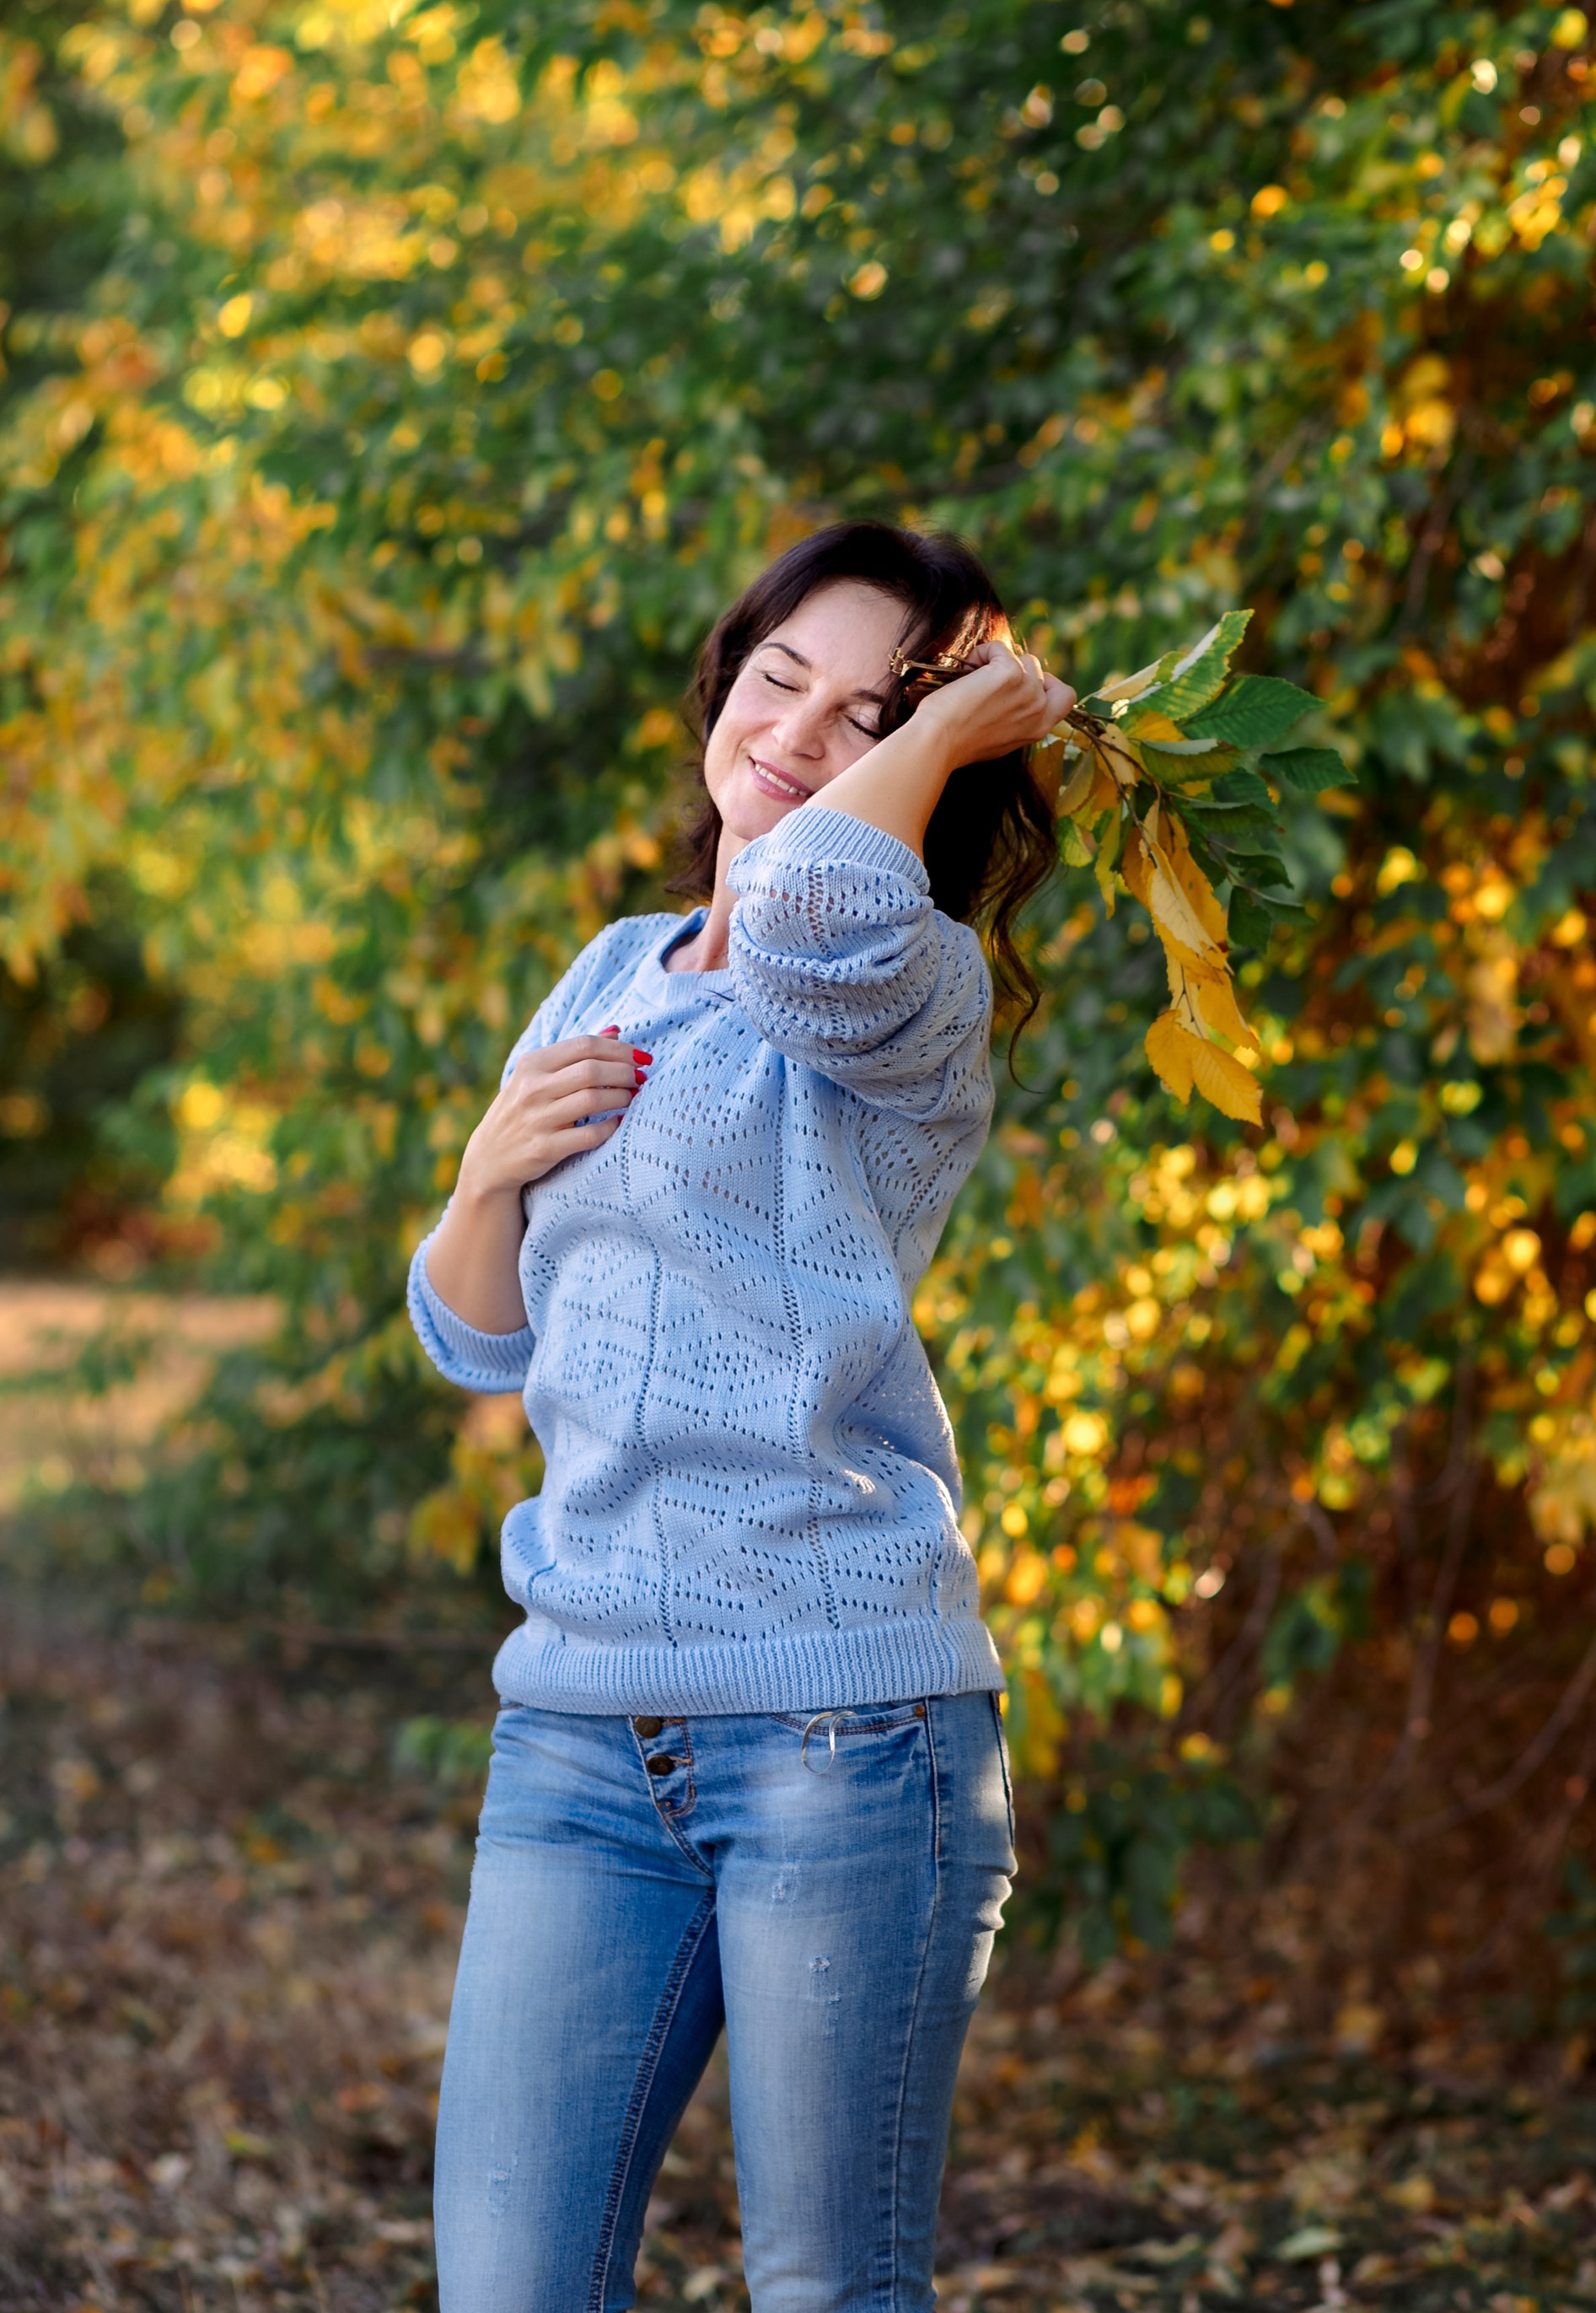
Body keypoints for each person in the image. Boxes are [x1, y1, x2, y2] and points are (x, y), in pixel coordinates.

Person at [407, 520, 1076, 2313]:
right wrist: (482, 1180)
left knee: (825, 2289)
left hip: (840, 1724)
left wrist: (938, 739)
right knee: (509, 2289)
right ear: (727, 670)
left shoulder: (902, 985)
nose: (794, 732)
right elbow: (484, 1342)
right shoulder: (616, 964)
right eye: (779, 677)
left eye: (864, 716)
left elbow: (802, 902)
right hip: (579, 1725)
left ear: (936, 764)